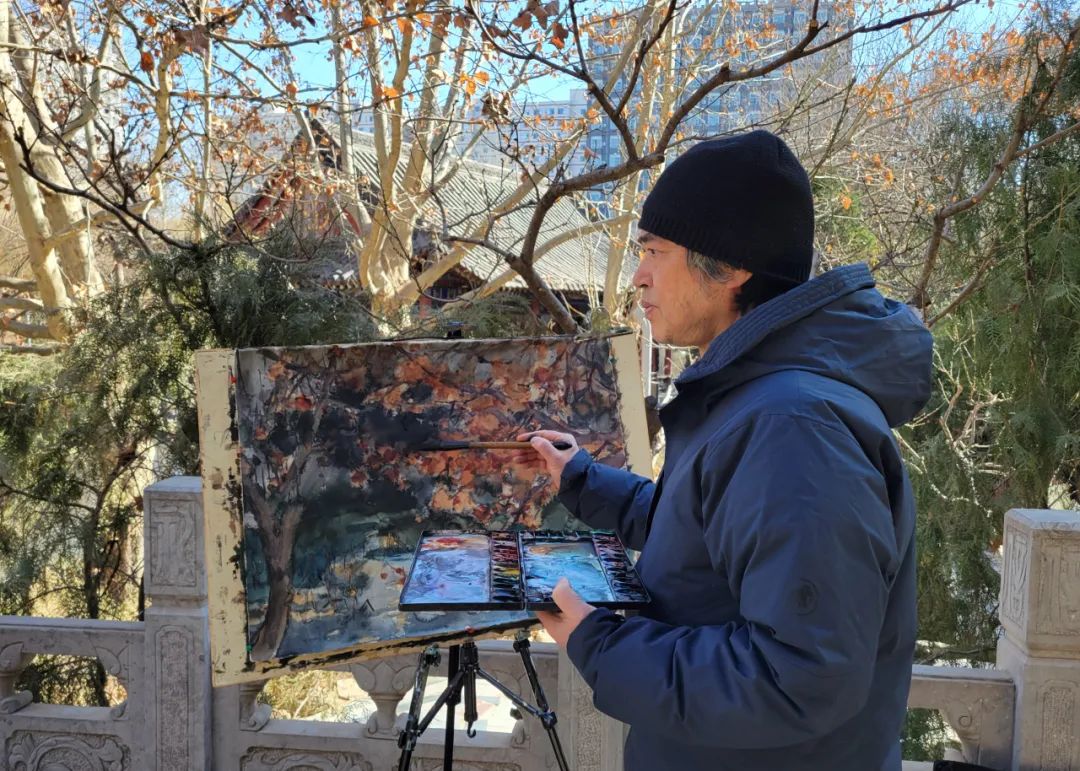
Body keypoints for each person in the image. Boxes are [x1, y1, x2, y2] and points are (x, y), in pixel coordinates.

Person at [515, 130, 933, 771]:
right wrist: (583, 479)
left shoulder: (793, 426)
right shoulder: (752, 397)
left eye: (655, 251)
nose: (639, 275)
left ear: (731, 267)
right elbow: (707, 545)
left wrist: (601, 643)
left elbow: (798, 675)